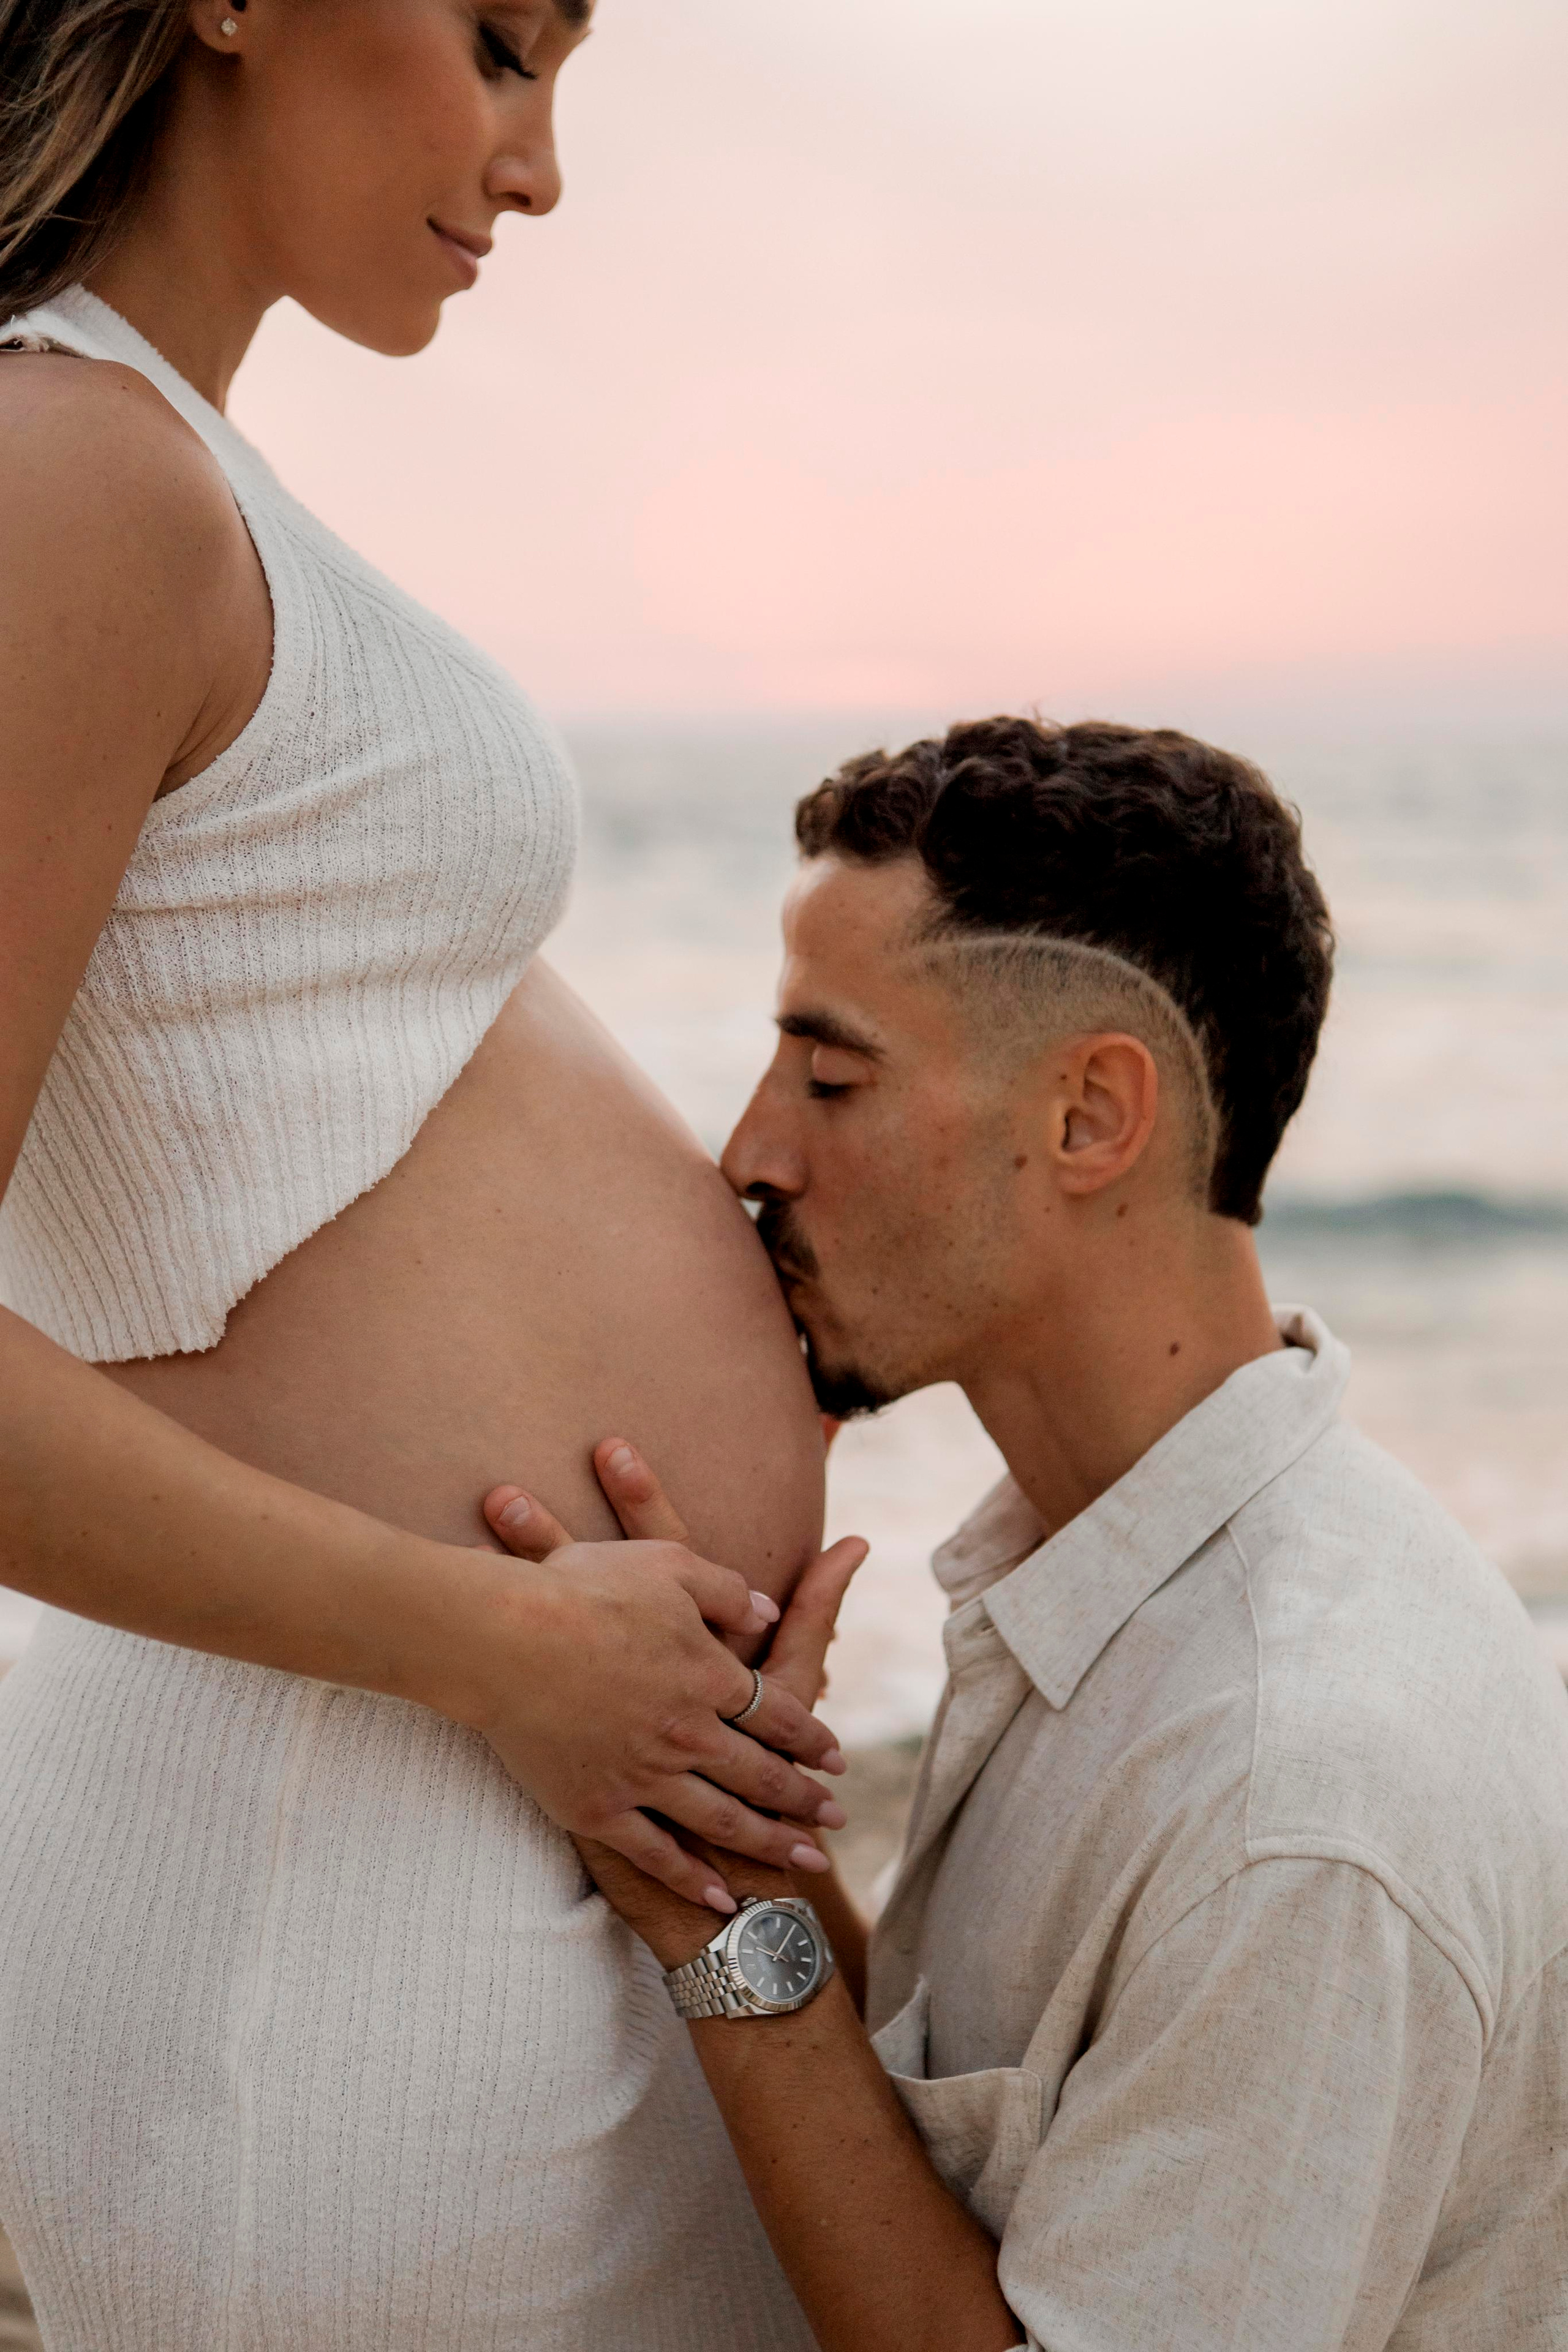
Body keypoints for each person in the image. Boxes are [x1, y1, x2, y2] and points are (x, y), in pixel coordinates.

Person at [0, 1, 856, 2344]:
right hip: (335, 1895)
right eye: (499, 41)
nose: (539, 160)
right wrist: (506, 1646)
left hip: (492, 1835)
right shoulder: (69, 466)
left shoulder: (157, 463)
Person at [502, 719, 1568, 2351]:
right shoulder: (1121, 1572)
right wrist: (747, 1827)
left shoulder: (1301, 1790)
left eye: (832, 1074)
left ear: (1090, 1118)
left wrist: (721, 1943)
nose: (750, 1151)